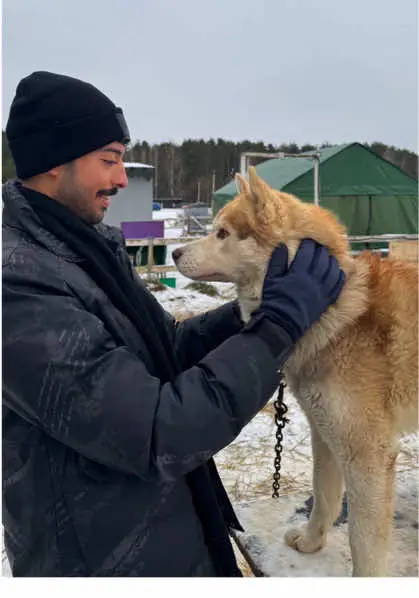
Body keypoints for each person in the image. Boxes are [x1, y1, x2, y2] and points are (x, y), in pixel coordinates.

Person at [2, 71, 346, 577]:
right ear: (55, 161)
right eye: (109, 160)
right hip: (105, 563)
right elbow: (158, 431)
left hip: (162, 531)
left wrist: (247, 313)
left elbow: (166, 349)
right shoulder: (21, 289)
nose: (122, 178)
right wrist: (275, 328)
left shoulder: (82, 251)